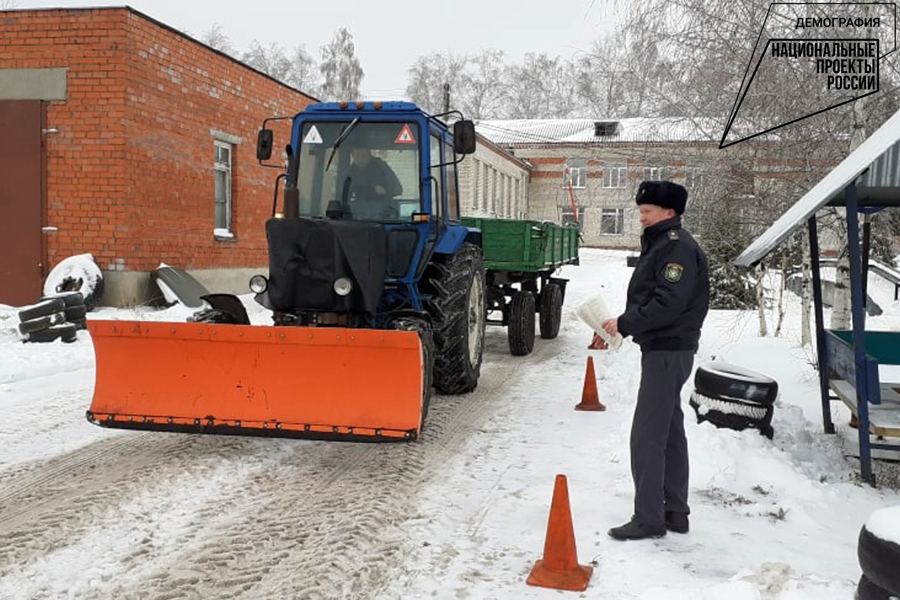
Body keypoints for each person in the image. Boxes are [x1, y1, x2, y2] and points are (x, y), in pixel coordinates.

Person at [601, 180, 710, 541]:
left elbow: (668, 302)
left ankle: (649, 517)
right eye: (641, 212)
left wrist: (625, 323)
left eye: (647, 212)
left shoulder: (676, 248)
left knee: (647, 434)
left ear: (669, 212)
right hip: (669, 348)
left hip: (668, 348)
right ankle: (675, 511)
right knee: (670, 431)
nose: (642, 218)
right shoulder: (665, 244)